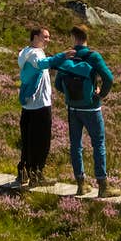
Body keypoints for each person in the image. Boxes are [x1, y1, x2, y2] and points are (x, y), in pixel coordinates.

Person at [55, 24, 121, 198]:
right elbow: (109, 78)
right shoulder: (93, 56)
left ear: (73, 38)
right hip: (92, 108)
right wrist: (101, 95)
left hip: (73, 108)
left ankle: (81, 184)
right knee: (98, 144)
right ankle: (103, 186)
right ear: (86, 38)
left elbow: (57, 84)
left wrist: (71, 94)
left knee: (76, 145)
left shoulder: (68, 56)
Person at [16, 27, 74, 187]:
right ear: (35, 37)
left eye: (49, 37)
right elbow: (43, 63)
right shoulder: (35, 54)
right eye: (45, 37)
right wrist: (62, 56)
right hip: (40, 104)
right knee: (42, 142)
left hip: (28, 105)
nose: (48, 40)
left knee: (27, 140)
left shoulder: (25, 52)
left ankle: (23, 172)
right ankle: (37, 174)